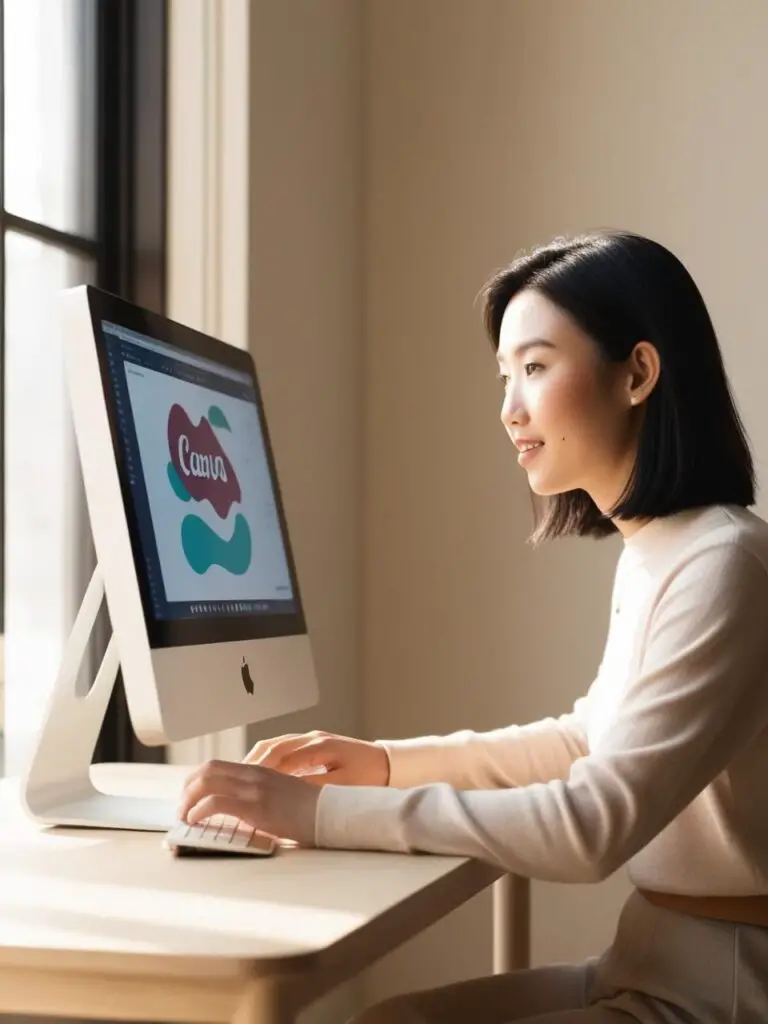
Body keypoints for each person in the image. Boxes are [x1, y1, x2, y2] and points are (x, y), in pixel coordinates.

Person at [178, 230, 768, 1022]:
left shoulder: (722, 561)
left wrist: (315, 816)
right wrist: (384, 764)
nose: (509, 409)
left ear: (637, 373)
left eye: (533, 367)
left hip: (722, 990)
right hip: (648, 957)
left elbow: (593, 825)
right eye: (504, 376)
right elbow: (585, 741)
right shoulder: (663, 551)